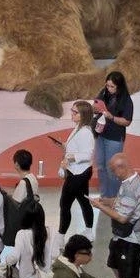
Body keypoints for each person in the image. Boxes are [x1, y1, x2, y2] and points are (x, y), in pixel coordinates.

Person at [90, 153, 140, 278]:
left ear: (121, 167)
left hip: (131, 240)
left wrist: (99, 207)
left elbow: (122, 218)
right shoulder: (129, 181)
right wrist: (105, 201)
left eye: (113, 170)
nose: (113, 175)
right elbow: (122, 201)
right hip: (122, 237)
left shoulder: (131, 187)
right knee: (114, 265)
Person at [93, 71, 133, 203]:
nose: (109, 88)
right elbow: (95, 105)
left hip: (114, 138)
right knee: (100, 166)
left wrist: (112, 117)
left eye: (112, 87)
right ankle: (104, 196)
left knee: (112, 168)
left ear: (119, 87)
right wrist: (95, 108)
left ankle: (114, 198)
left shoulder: (126, 100)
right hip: (101, 134)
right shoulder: (103, 93)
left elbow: (127, 121)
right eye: (107, 85)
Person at [57, 100, 95, 240]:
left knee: (65, 204)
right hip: (78, 171)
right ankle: (89, 231)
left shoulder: (85, 132)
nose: (72, 114)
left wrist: (70, 157)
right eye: (72, 111)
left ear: (83, 115)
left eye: (75, 112)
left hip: (78, 173)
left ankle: (61, 236)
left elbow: (88, 155)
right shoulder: (78, 128)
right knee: (84, 201)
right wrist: (66, 146)